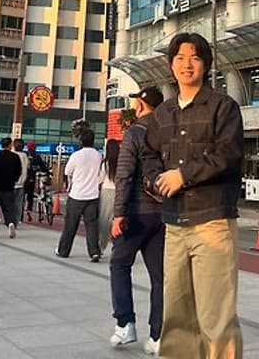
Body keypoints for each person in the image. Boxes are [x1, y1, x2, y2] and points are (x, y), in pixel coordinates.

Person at [143, 33, 244, 359]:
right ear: (170, 65)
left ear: (206, 65)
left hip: (212, 222)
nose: (187, 64)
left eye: (195, 58)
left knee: (217, 317)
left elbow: (228, 155)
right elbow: (149, 156)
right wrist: (156, 181)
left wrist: (183, 175)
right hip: (174, 225)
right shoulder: (163, 113)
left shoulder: (223, 107)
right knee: (177, 317)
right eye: (180, 58)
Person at [109, 86, 164, 355]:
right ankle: (158, 335)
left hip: (135, 212)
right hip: (163, 214)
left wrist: (119, 214)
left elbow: (124, 175)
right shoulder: (168, 131)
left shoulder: (135, 132)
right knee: (160, 276)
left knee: (119, 264)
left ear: (141, 104)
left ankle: (125, 323)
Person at [55, 128, 103, 261]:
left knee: (70, 225)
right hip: (92, 195)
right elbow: (100, 174)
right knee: (92, 225)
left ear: (81, 141)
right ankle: (94, 252)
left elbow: (67, 171)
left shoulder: (76, 155)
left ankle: (63, 250)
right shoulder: (98, 155)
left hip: (77, 194)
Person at [99, 138, 120, 254]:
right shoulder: (121, 163)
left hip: (106, 191)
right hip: (118, 192)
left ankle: (101, 246)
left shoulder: (105, 164)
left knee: (104, 220)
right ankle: (117, 247)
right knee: (117, 219)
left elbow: (100, 179)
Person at [24, 143, 48, 222]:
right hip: (32, 178)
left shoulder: (25, 155)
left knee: (22, 195)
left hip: (23, 178)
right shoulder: (37, 157)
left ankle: (20, 211)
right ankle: (29, 209)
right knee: (30, 195)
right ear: (34, 148)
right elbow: (43, 167)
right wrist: (47, 171)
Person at [12, 138, 29, 227]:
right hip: (22, 183)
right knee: (19, 203)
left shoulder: (12, 155)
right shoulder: (25, 156)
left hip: (12, 183)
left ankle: (10, 220)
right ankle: (16, 220)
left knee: (10, 203)